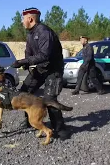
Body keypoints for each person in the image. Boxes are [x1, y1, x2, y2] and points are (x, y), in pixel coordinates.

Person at [11, 7, 70, 140]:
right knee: (24, 92)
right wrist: (25, 63)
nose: (22, 22)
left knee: (49, 99)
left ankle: (60, 129)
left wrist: (23, 61)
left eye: (23, 19)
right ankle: (31, 120)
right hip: (40, 69)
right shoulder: (30, 34)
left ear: (30, 19)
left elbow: (45, 55)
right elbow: (29, 53)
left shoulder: (44, 32)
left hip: (53, 70)